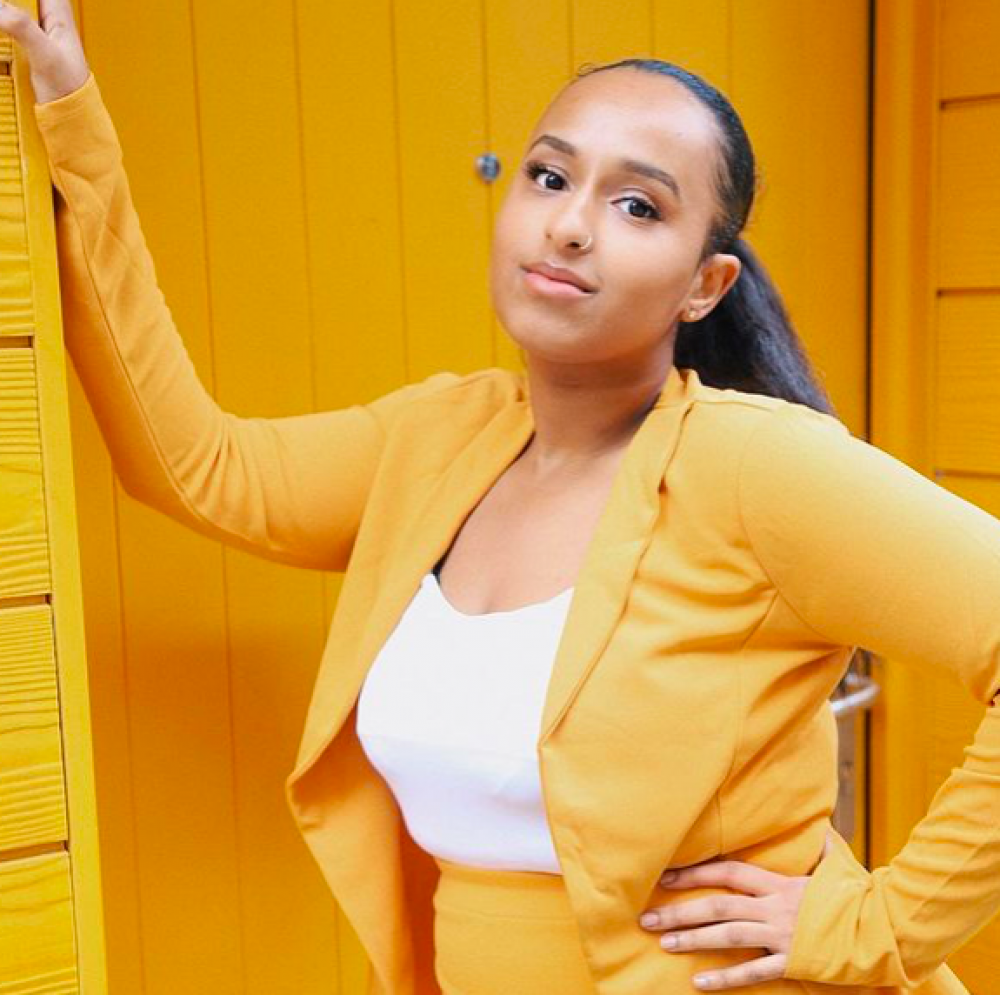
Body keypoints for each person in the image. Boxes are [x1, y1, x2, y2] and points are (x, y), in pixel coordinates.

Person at [2, 2, 997, 993]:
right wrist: (68, 109)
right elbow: (198, 466)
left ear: (706, 283)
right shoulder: (439, 440)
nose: (568, 224)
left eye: (637, 205)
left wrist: (886, 923)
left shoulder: (755, 468)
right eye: (549, 176)